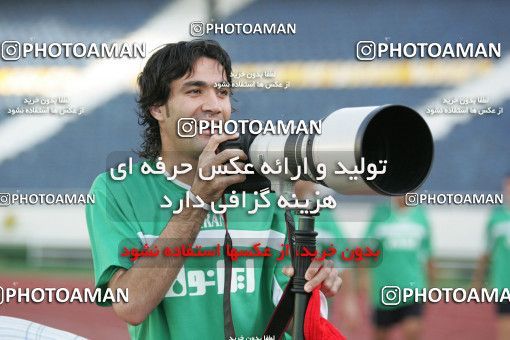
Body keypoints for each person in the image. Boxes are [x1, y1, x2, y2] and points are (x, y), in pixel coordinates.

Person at [85, 39, 342, 339]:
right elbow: (131, 306)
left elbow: (285, 315)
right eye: (195, 91)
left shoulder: (264, 187)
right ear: (157, 107)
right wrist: (198, 201)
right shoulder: (117, 190)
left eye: (222, 93)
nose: (214, 106)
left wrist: (309, 287)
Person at [360, 196, 434, 340]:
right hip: (383, 290)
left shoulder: (421, 217)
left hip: (412, 288)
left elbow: (428, 255)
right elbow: (365, 251)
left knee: (412, 330)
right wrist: (364, 277)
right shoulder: (380, 214)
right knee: (380, 335)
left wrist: (431, 286)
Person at [472, 174, 510, 340]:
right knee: (505, 329)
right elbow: (486, 252)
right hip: (503, 284)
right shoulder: (496, 217)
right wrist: (477, 282)